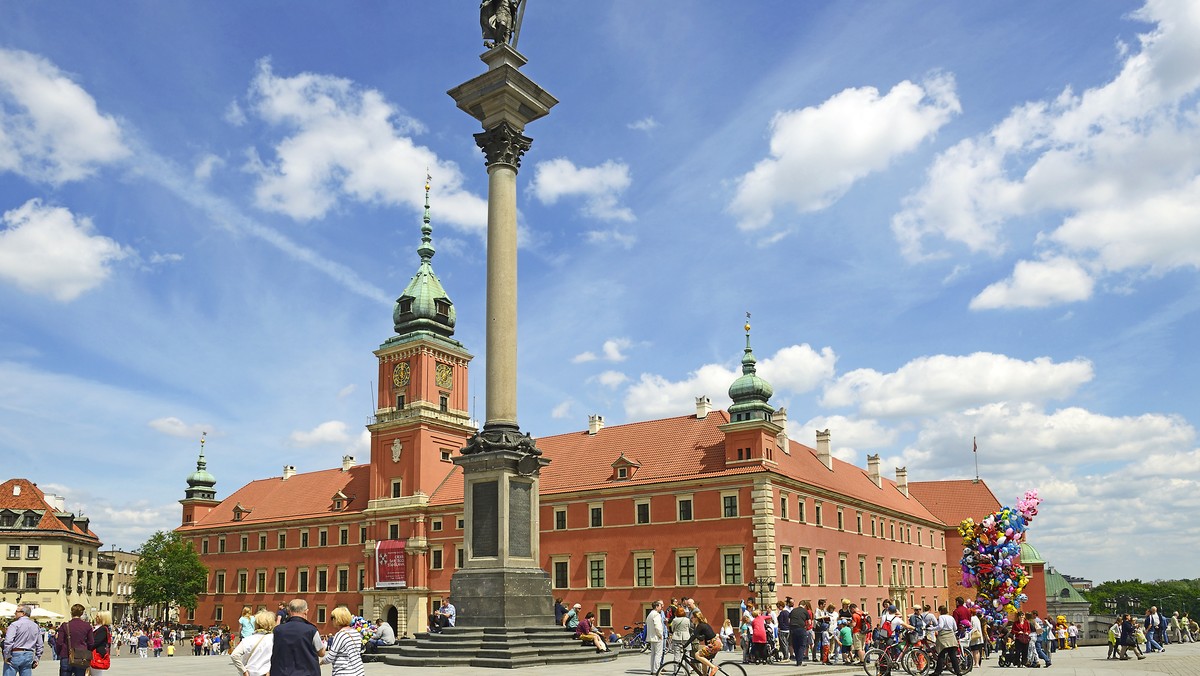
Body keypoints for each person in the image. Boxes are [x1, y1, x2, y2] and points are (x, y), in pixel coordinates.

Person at [270, 599, 326, 676]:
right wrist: (325, 645)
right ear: (306, 611)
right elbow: (321, 653)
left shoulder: (278, 630)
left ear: (289, 611)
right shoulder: (311, 630)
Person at [322, 607, 366, 676]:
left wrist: (321, 662)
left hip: (344, 672)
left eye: (332, 618)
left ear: (337, 619)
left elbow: (331, 656)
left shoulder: (340, 635)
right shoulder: (356, 633)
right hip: (358, 671)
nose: (332, 620)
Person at [230, 610, 276, 676]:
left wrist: (244, 671)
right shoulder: (274, 639)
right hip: (266, 673)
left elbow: (234, 655)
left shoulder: (248, 639)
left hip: (250, 673)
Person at [2, 604, 43, 676]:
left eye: (17, 611)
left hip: (15, 653)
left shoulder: (15, 625)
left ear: (23, 613)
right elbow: (40, 644)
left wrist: (7, 655)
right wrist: (37, 658)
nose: (14, 613)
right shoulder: (35, 626)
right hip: (29, 654)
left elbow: (8, 641)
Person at [55, 604, 94, 676]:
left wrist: (59, 653)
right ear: (82, 614)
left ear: (71, 613)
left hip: (66, 655)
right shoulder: (87, 626)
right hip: (81, 656)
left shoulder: (65, 625)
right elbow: (91, 642)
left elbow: (59, 642)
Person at [929, 605, 962, 676]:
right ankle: (958, 672)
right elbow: (955, 628)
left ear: (940, 611)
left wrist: (932, 629)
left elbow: (940, 626)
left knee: (941, 655)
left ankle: (937, 672)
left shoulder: (941, 617)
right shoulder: (951, 617)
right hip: (951, 636)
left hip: (943, 636)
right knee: (953, 656)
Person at [688, 611, 720, 676]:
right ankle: (705, 674)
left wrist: (684, 645)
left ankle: (713, 667)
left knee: (697, 655)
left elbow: (692, 637)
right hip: (717, 643)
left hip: (713, 645)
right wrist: (697, 635)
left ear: (696, 618)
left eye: (692, 618)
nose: (691, 619)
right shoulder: (704, 624)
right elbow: (701, 638)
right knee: (703, 658)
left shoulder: (700, 625)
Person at [90, 610, 113, 675]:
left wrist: (86, 647)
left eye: (98, 616)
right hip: (94, 654)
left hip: (96, 655)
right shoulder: (99, 628)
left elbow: (96, 642)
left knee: (96, 673)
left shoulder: (103, 629)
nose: (95, 617)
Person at [788, 599, 811, 666]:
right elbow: (809, 622)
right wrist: (806, 627)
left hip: (793, 629)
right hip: (801, 628)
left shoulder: (793, 610)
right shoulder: (805, 611)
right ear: (804, 605)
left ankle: (798, 659)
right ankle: (799, 661)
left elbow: (789, 621)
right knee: (802, 645)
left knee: (795, 645)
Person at [647, 600, 666, 675]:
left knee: (653, 654)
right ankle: (656, 670)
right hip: (657, 637)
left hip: (651, 637)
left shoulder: (650, 614)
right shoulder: (656, 615)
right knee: (658, 654)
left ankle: (652, 670)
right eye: (660, 606)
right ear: (657, 606)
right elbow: (658, 627)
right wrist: (660, 635)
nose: (661, 607)